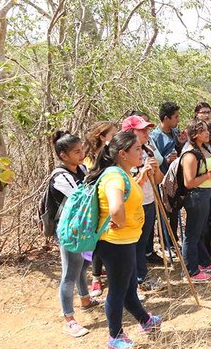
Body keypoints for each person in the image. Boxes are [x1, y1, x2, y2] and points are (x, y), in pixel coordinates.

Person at [89, 131, 162, 348]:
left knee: (129, 287)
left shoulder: (124, 173)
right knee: (119, 290)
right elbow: (116, 207)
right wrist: (121, 222)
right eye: (137, 149)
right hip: (115, 243)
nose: (142, 152)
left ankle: (145, 321)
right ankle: (115, 336)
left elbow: (130, 196)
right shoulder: (114, 176)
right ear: (122, 153)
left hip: (126, 241)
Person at [49, 131, 101, 338]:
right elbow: (84, 197)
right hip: (68, 232)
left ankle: (85, 300)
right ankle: (68, 319)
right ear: (63, 155)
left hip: (81, 229)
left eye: (82, 150)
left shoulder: (80, 168)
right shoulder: (61, 177)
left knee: (83, 265)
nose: (82, 154)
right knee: (69, 273)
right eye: (77, 151)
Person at [121, 116, 165, 294]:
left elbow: (159, 180)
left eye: (147, 129)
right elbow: (127, 188)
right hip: (132, 206)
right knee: (131, 245)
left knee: (142, 243)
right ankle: (134, 280)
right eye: (142, 130)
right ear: (130, 132)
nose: (147, 133)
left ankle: (141, 277)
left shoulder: (148, 151)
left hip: (148, 201)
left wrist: (153, 170)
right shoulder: (121, 156)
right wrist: (143, 174)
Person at [181, 119, 211, 282]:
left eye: (207, 130)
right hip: (196, 195)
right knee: (192, 234)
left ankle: (204, 262)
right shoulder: (190, 154)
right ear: (194, 134)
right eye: (202, 131)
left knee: (200, 231)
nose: (207, 133)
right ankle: (190, 270)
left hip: (205, 193)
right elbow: (188, 182)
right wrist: (210, 175)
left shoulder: (203, 147)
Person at [82, 121, 117, 297]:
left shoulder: (113, 155)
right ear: (102, 137)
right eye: (112, 134)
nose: (115, 137)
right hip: (96, 205)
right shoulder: (89, 159)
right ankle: (96, 278)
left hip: (110, 202)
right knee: (98, 240)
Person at [150, 101, 185, 256]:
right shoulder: (155, 137)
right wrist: (166, 160)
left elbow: (180, 149)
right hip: (162, 180)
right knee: (164, 212)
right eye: (175, 117)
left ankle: (173, 241)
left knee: (175, 209)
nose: (178, 120)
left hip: (176, 179)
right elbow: (155, 158)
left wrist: (180, 144)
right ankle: (165, 244)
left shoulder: (175, 132)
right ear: (166, 118)